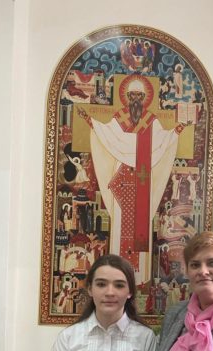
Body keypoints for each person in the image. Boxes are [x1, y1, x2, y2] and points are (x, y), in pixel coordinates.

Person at [86, 75, 185, 284]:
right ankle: (116, 274)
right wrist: (92, 123)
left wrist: (176, 131)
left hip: (142, 178)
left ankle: (139, 277)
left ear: (144, 98)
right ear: (127, 97)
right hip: (122, 177)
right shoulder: (119, 118)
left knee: (141, 222)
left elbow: (161, 141)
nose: (136, 100)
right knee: (120, 222)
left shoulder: (151, 120)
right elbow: (108, 136)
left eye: (140, 96)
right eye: (133, 95)